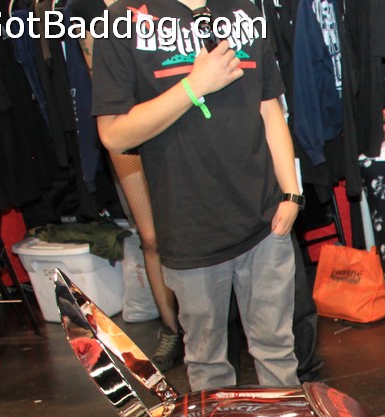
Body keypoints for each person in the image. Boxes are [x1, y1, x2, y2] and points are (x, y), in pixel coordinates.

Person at [92, 0, 303, 391]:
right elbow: (114, 134)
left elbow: (269, 107)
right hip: (189, 227)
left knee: (277, 353)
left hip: (265, 220)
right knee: (208, 366)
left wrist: (291, 193)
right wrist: (194, 86)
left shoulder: (245, 9)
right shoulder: (123, 20)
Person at [70, 0, 185, 371]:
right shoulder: (87, 9)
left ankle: (207, 322)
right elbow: (96, 74)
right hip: (126, 125)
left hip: (178, 118)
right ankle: (173, 327)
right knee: (151, 237)